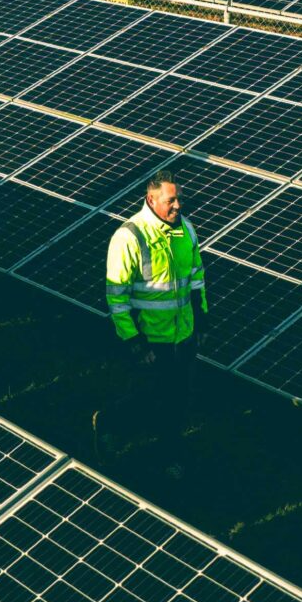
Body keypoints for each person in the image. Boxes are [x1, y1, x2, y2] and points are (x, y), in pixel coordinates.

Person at [95, 170, 206, 477]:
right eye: (171, 200)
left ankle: (170, 454)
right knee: (156, 397)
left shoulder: (184, 229)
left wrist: (202, 319)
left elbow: (196, 275)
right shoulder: (130, 237)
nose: (177, 206)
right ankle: (111, 423)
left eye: (179, 199)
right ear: (151, 199)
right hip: (152, 337)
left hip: (183, 333)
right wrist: (133, 341)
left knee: (179, 398)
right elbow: (117, 296)